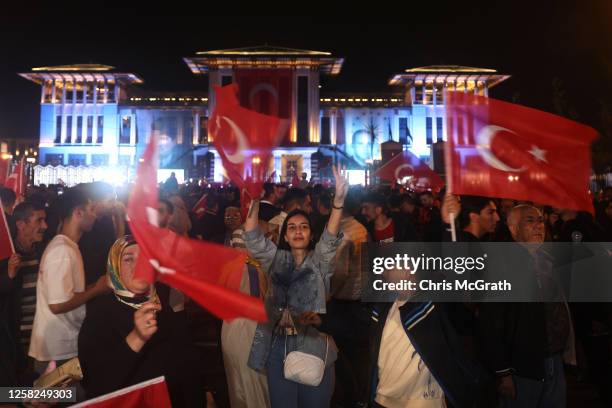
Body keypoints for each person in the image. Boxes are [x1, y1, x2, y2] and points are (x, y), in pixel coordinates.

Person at [243, 165, 348, 408]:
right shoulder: (276, 260)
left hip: (313, 344)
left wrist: (338, 202)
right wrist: (255, 197)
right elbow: (252, 235)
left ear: (311, 235)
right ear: (285, 236)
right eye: (292, 227)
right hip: (278, 346)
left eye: (304, 226)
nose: (298, 230)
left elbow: (330, 238)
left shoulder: (320, 261)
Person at [78, 236, 202, 407]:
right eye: (128, 259)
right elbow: (96, 385)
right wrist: (137, 338)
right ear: (115, 267)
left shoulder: (162, 303)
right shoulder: (100, 313)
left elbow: (186, 364)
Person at [478, 205, 575, 407]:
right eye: (530, 221)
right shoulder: (501, 267)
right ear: (513, 229)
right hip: (522, 368)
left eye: (540, 220)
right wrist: (502, 372)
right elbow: (491, 324)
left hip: (553, 359)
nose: (539, 225)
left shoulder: (546, 260)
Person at [28, 188, 109, 372]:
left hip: (61, 347)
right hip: (56, 351)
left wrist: (95, 287)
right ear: (78, 212)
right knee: (61, 399)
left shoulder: (68, 247)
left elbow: (68, 293)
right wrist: (96, 290)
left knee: (66, 399)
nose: (95, 215)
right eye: (91, 209)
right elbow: (57, 304)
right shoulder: (62, 250)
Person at [0, 201, 47, 386]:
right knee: (14, 391)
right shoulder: (6, 256)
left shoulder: (45, 251)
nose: (45, 226)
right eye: (39, 220)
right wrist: (9, 275)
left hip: (42, 338)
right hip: (15, 340)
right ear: (21, 224)